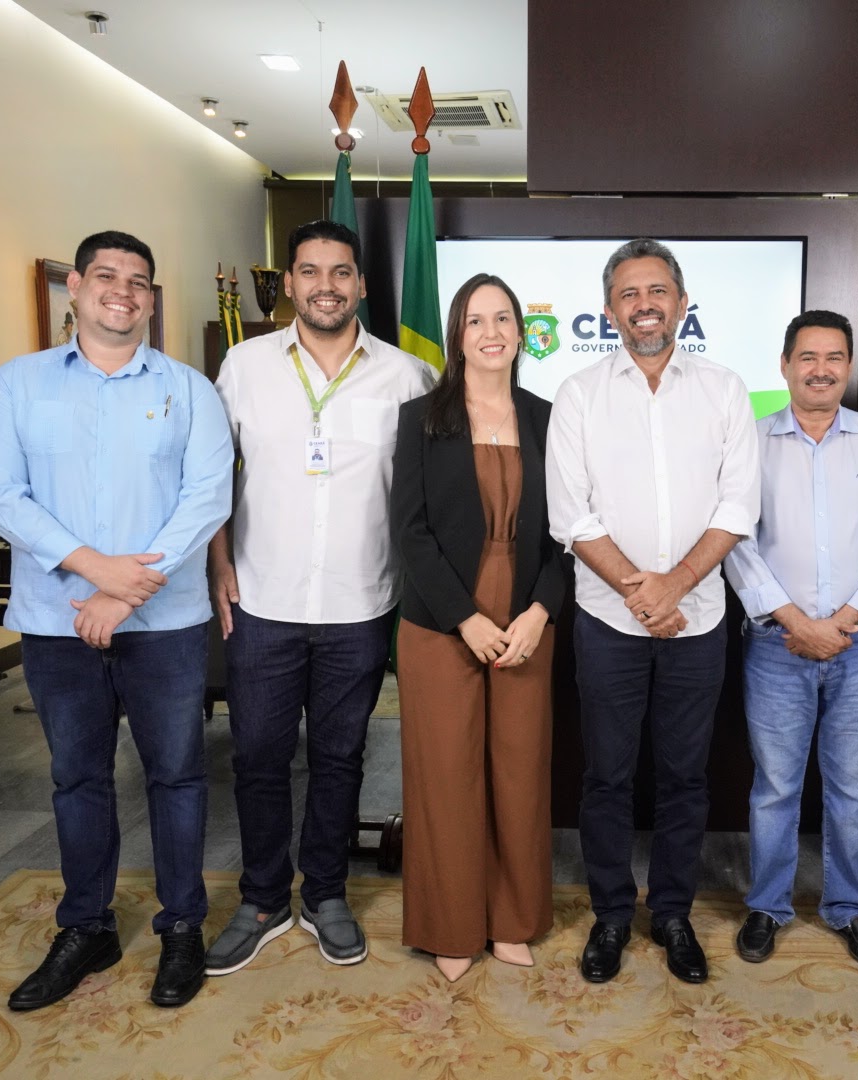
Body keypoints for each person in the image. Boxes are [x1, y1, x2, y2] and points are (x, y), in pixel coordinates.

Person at [0, 230, 233, 1010]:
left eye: (139, 281)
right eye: (108, 276)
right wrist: (96, 569)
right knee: (77, 779)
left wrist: (126, 592)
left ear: (151, 298)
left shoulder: (190, 390)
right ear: (78, 289)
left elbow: (207, 499)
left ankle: (181, 926)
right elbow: (0, 497)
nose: (124, 291)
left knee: (177, 775)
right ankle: (86, 928)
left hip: (166, 624)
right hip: (58, 624)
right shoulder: (18, 385)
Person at [204, 221, 436, 977]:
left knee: (340, 758)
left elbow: (425, 495)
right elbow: (210, 474)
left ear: (362, 284)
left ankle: (326, 893)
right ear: (290, 283)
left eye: (341, 272)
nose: (325, 286)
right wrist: (216, 561)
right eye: (310, 271)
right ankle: (263, 898)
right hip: (261, 599)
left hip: (360, 604)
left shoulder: (407, 376)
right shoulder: (243, 366)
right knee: (258, 757)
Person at [546, 238, 760, 985]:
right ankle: (610, 914)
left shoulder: (725, 390)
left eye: (658, 291)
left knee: (685, 777)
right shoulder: (578, 393)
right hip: (608, 622)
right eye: (629, 294)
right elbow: (570, 515)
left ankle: (671, 913)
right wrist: (645, 592)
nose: (645, 305)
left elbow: (738, 504)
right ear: (609, 311)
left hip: (698, 623)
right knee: (606, 776)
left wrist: (677, 586)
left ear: (682, 303)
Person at [724, 310, 858, 972]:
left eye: (834, 357)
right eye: (807, 357)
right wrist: (794, 621)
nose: (821, 369)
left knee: (854, 790)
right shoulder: (750, 441)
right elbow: (735, 539)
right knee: (775, 786)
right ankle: (767, 906)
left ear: (849, 367)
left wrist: (845, 621)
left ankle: (850, 908)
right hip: (776, 645)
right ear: (784, 365)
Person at [391, 273, 567, 982]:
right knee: (446, 774)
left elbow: (570, 533)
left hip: (526, 620)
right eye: (475, 320)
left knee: (519, 771)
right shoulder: (420, 418)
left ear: (522, 333)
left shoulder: (549, 418)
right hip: (441, 622)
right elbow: (410, 530)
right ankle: (452, 925)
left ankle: (513, 920)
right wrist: (463, 618)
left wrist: (541, 611)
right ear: (457, 337)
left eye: (502, 319)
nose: (490, 332)